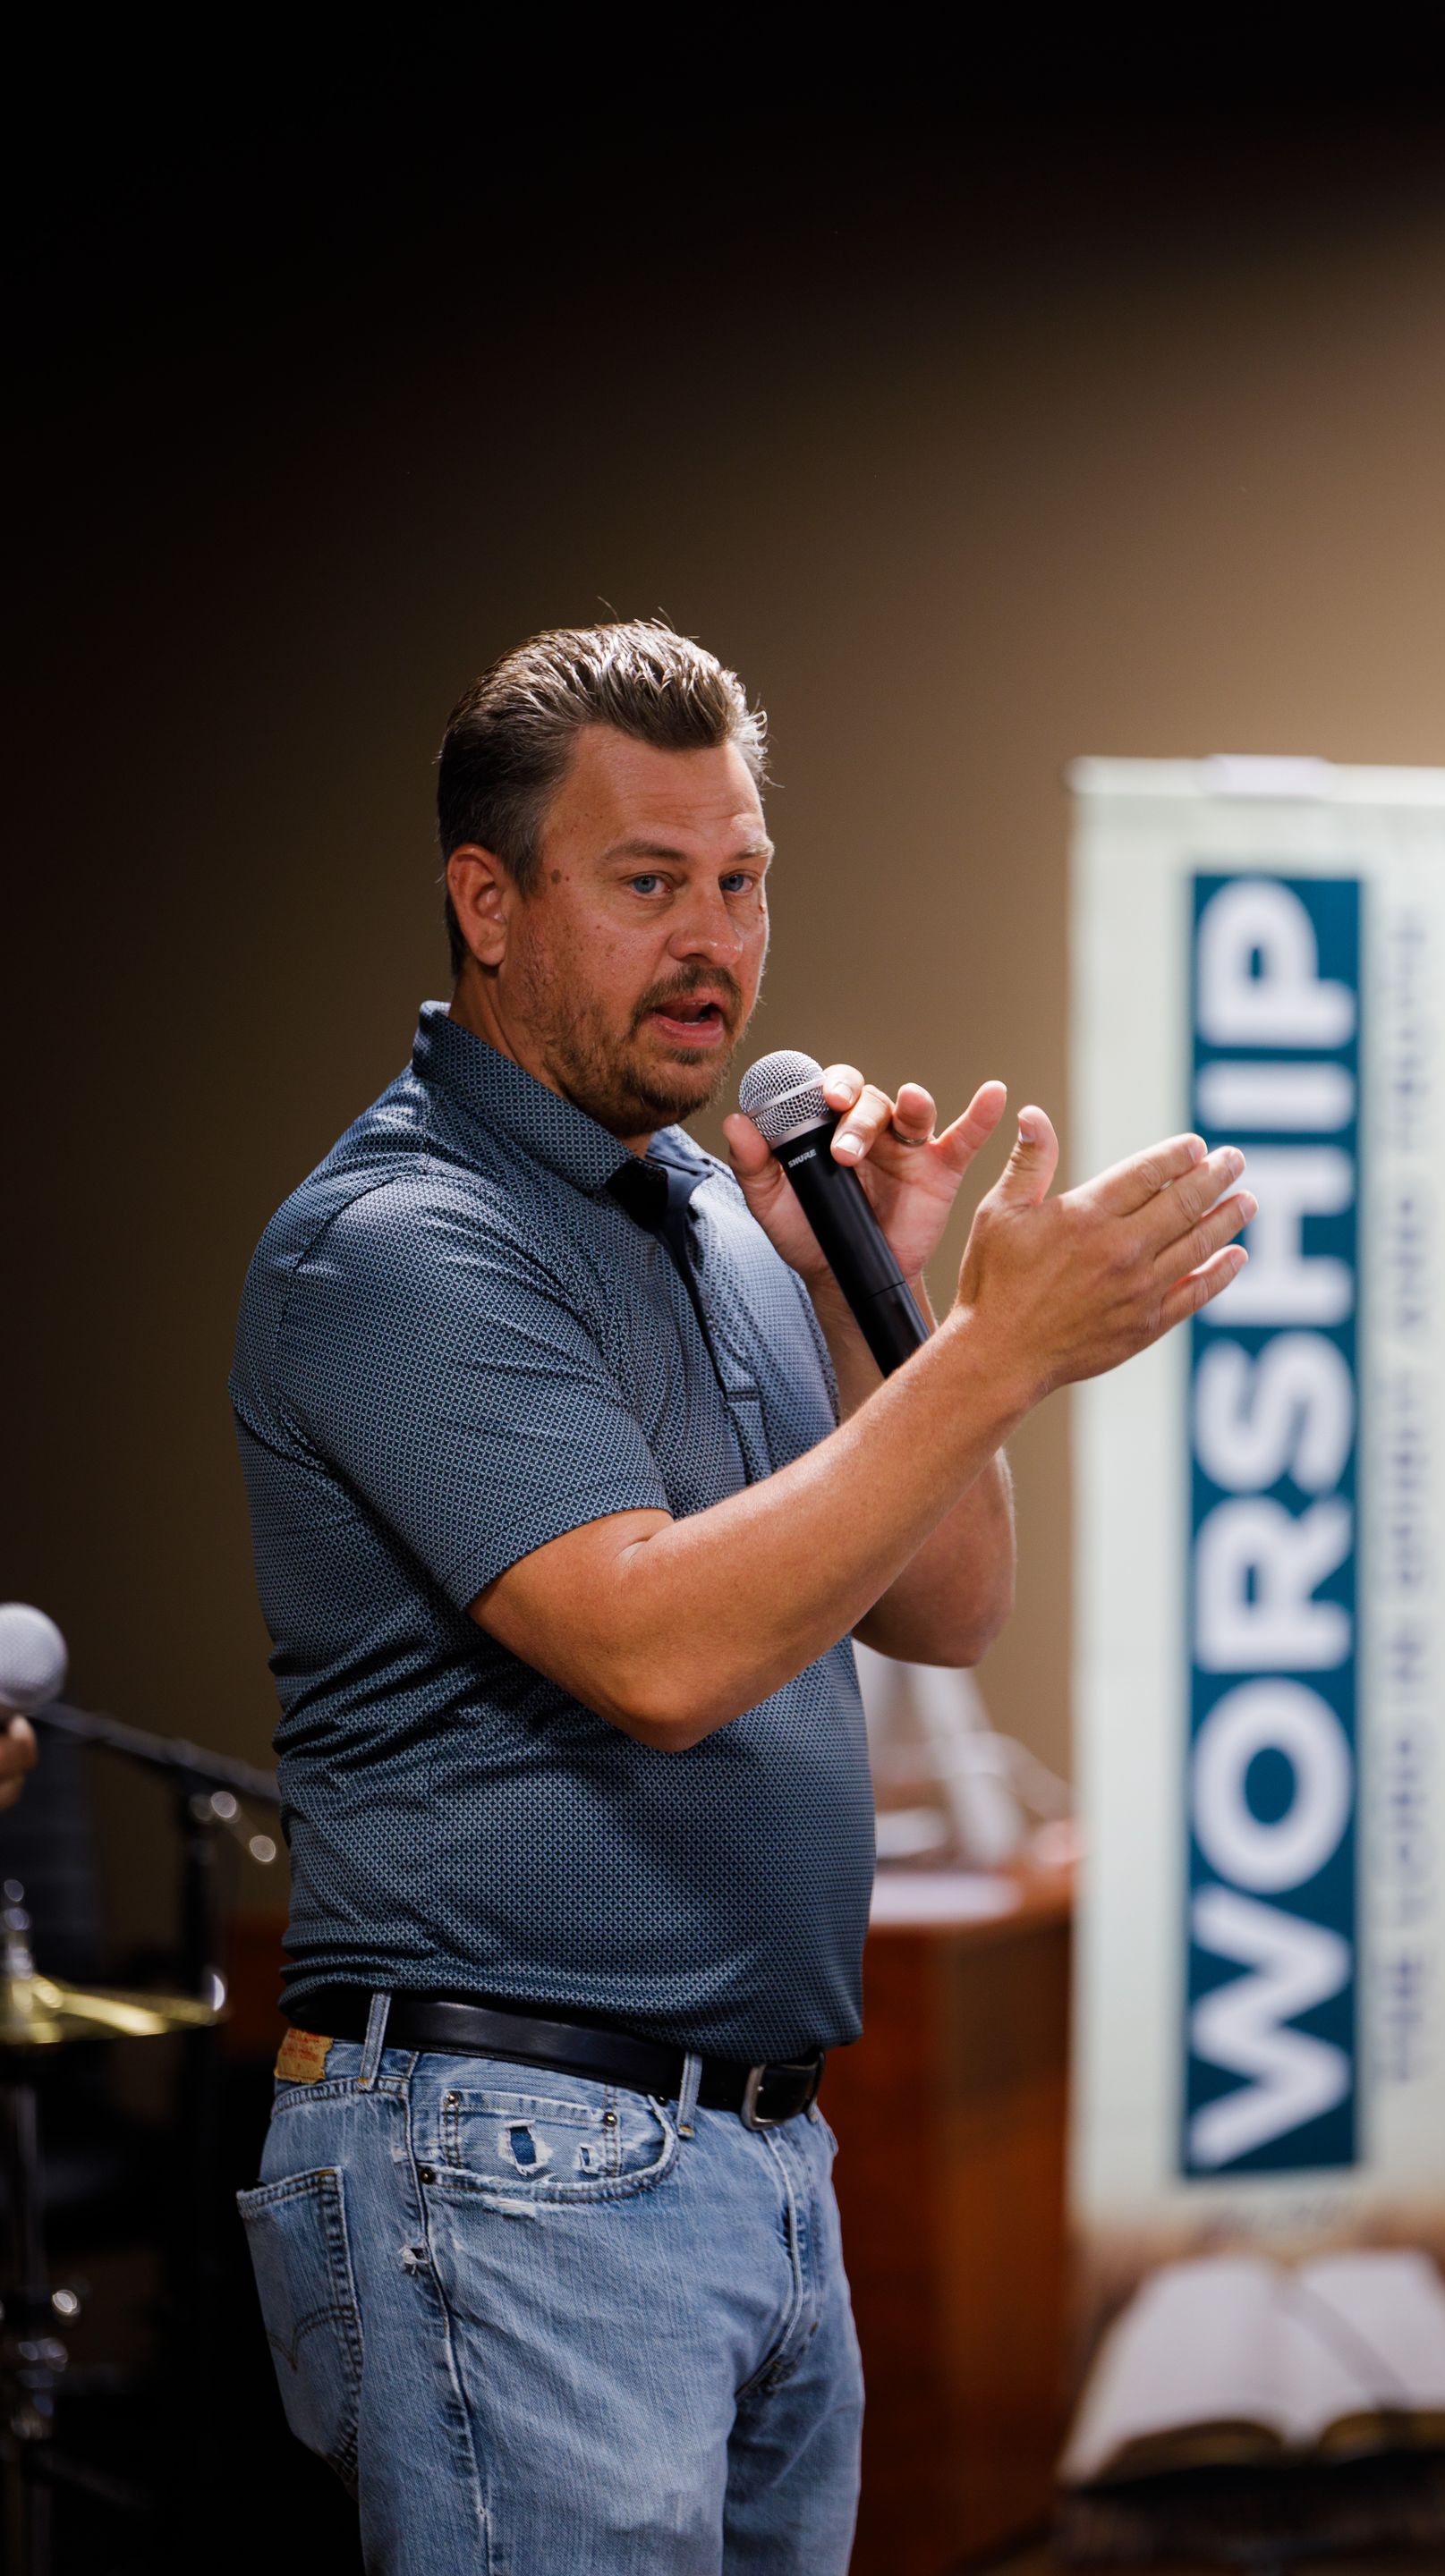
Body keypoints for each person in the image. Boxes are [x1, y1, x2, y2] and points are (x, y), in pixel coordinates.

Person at [230, 622, 1254, 2573]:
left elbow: (946, 1604)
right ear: (490, 904)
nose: (714, 939)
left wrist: (882, 1315)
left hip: (758, 2155)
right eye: (645, 884)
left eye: (741, 880)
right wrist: (1001, 1353)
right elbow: (664, 1651)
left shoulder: (709, 1208)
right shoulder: (398, 1241)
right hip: (514, 2158)